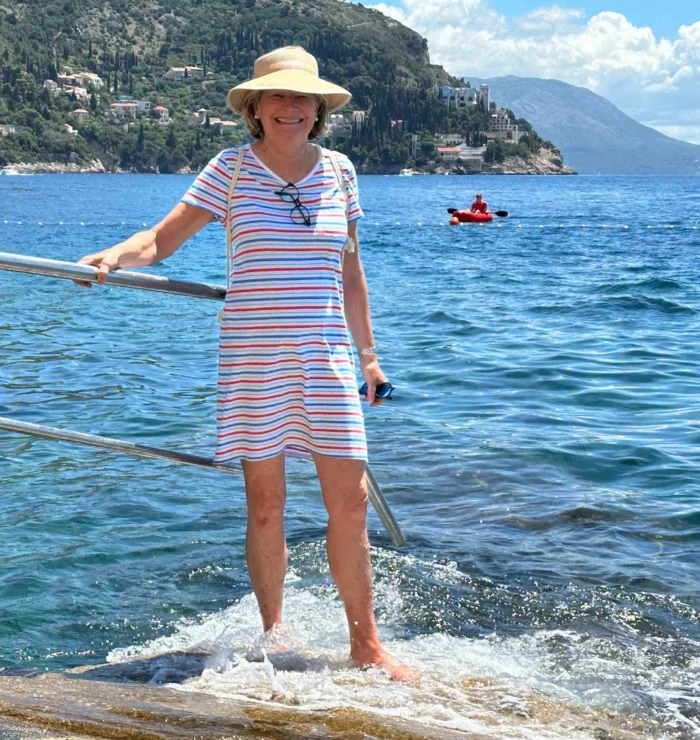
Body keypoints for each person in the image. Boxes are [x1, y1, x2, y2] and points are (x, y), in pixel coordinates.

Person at [75, 46, 416, 681]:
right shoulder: (229, 169)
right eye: (278, 96)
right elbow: (162, 238)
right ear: (254, 108)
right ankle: (274, 629)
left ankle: (365, 644)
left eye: (303, 97)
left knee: (349, 502)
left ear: (319, 109)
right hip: (254, 357)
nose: (291, 107)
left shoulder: (340, 171)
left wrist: (369, 358)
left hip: (326, 357)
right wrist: (114, 257)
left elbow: (350, 271)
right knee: (266, 503)